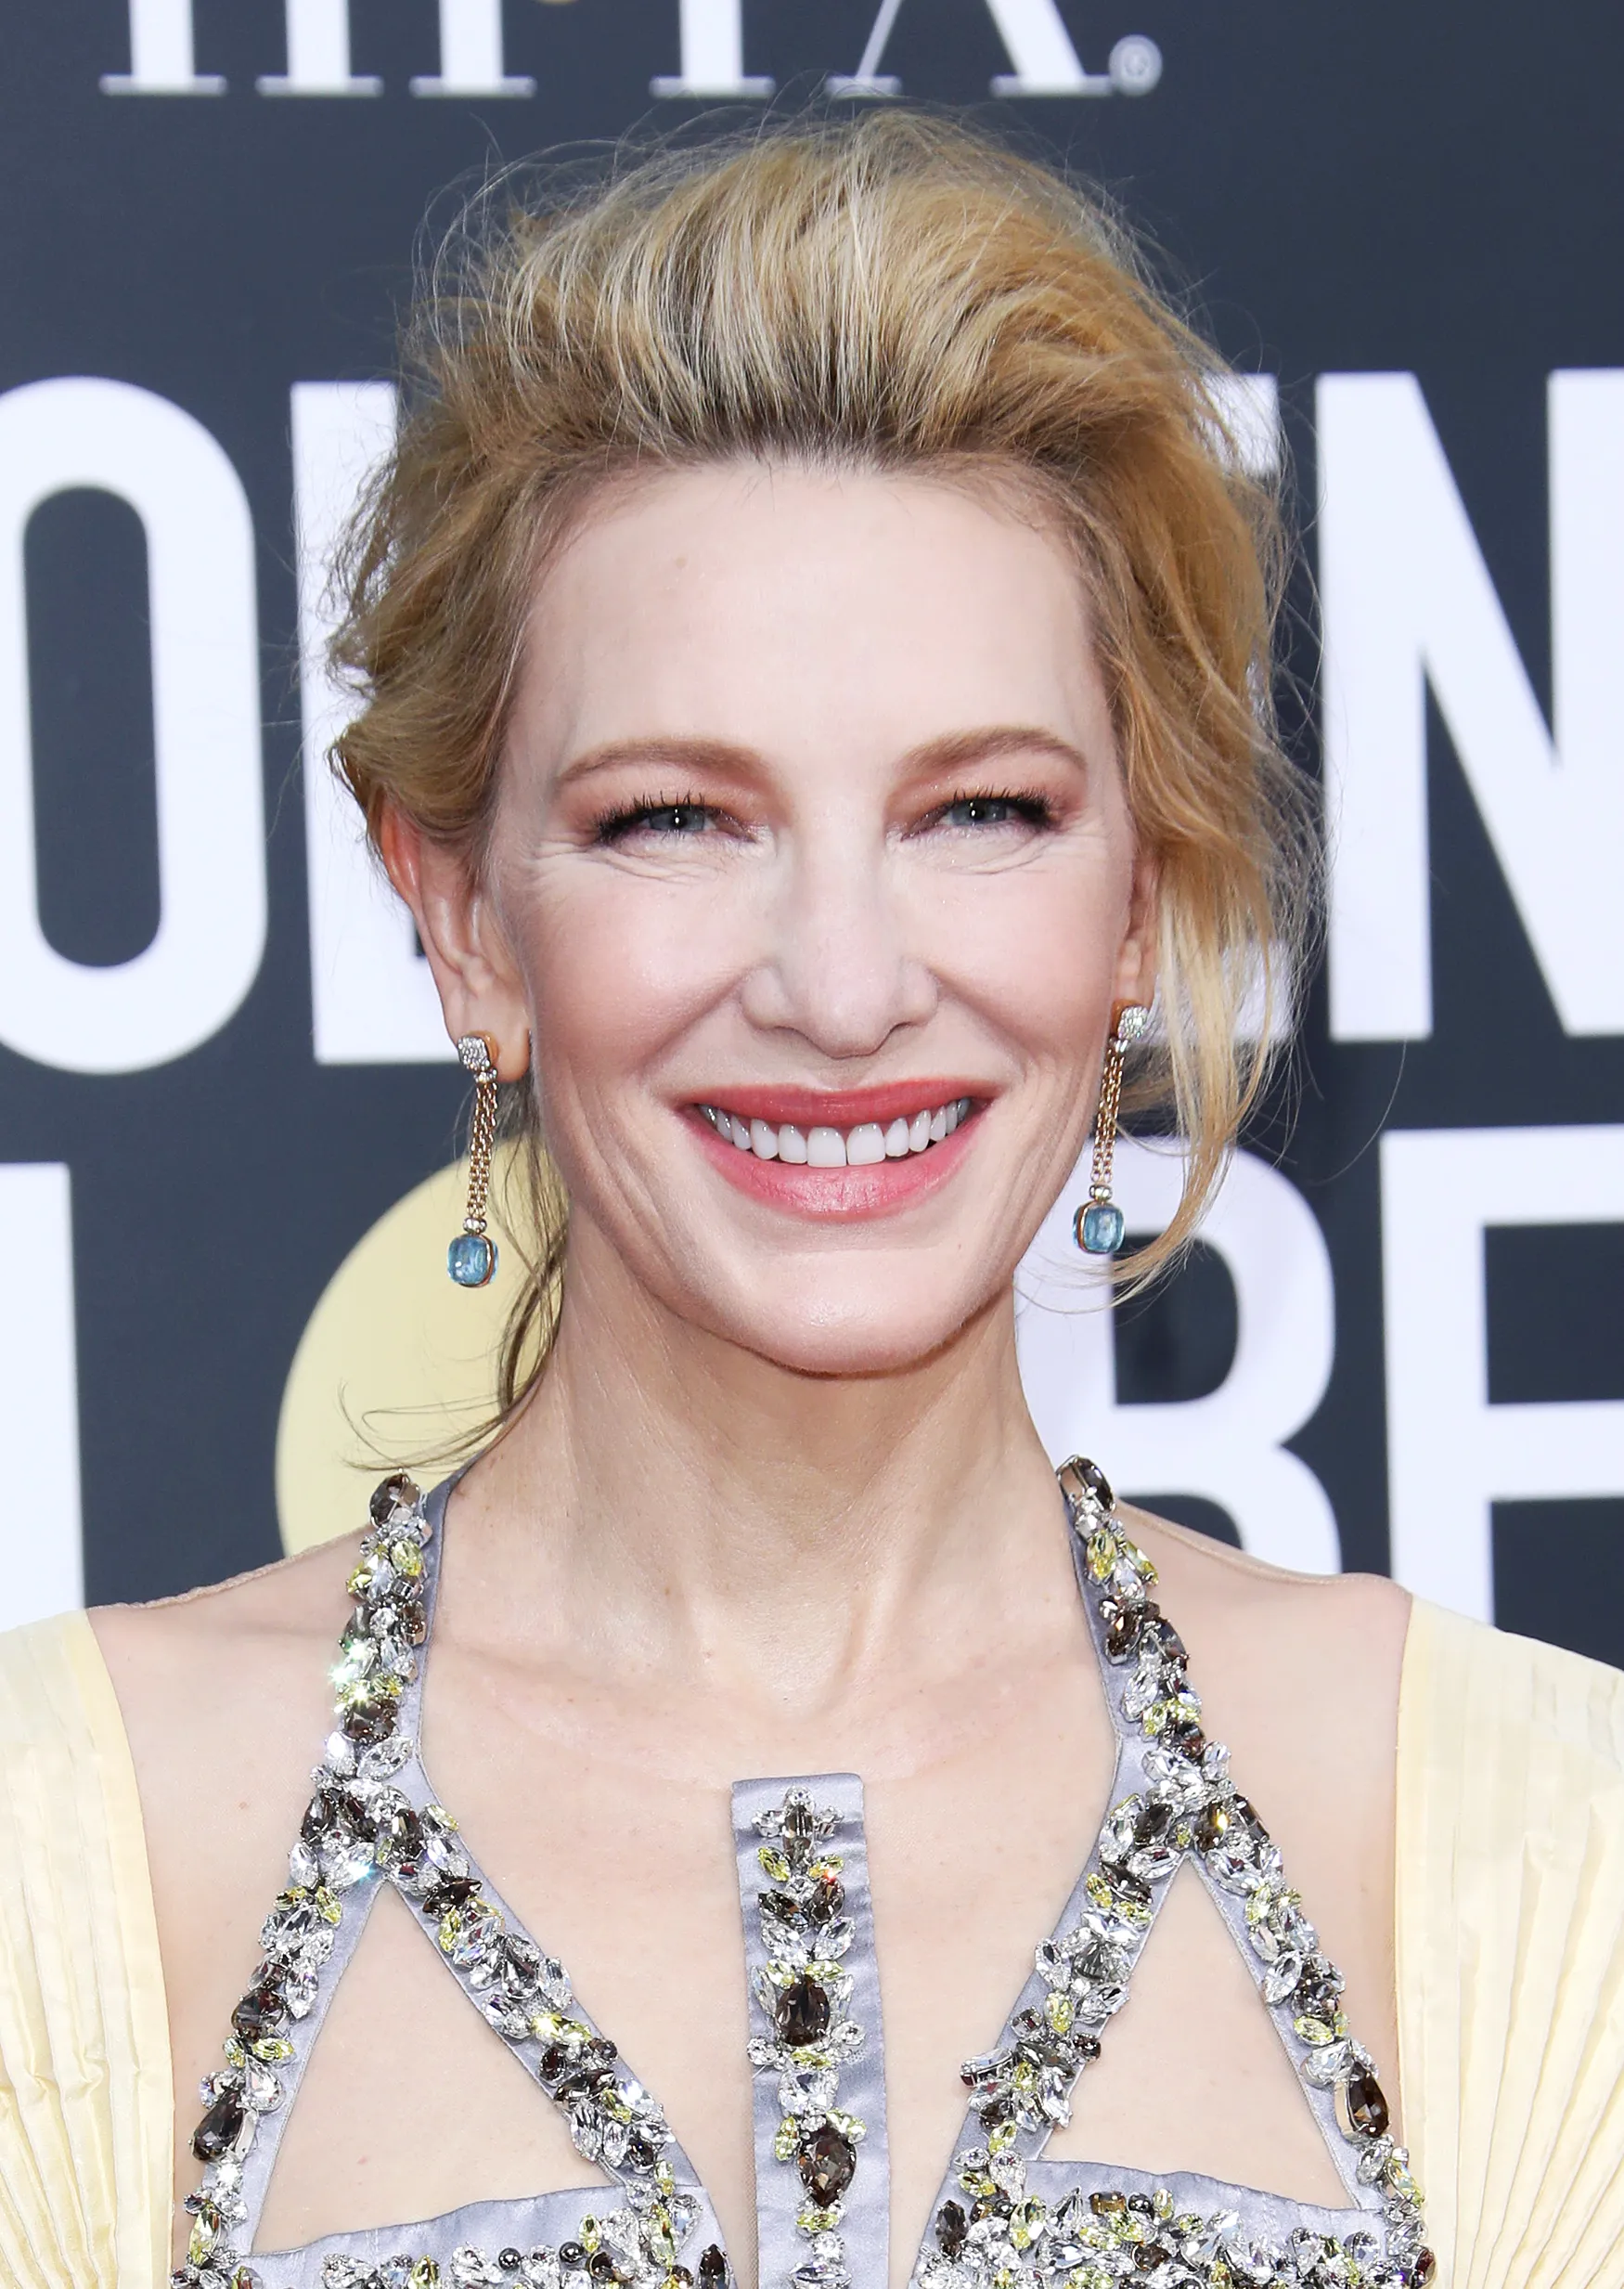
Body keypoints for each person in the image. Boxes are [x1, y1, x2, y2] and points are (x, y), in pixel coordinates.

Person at [3, 113, 1621, 2289]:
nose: (843, 990)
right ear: (462, 919)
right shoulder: (56, 1860)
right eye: (676, 818)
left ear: (1136, 901)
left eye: (981, 810)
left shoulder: (1537, 1852)